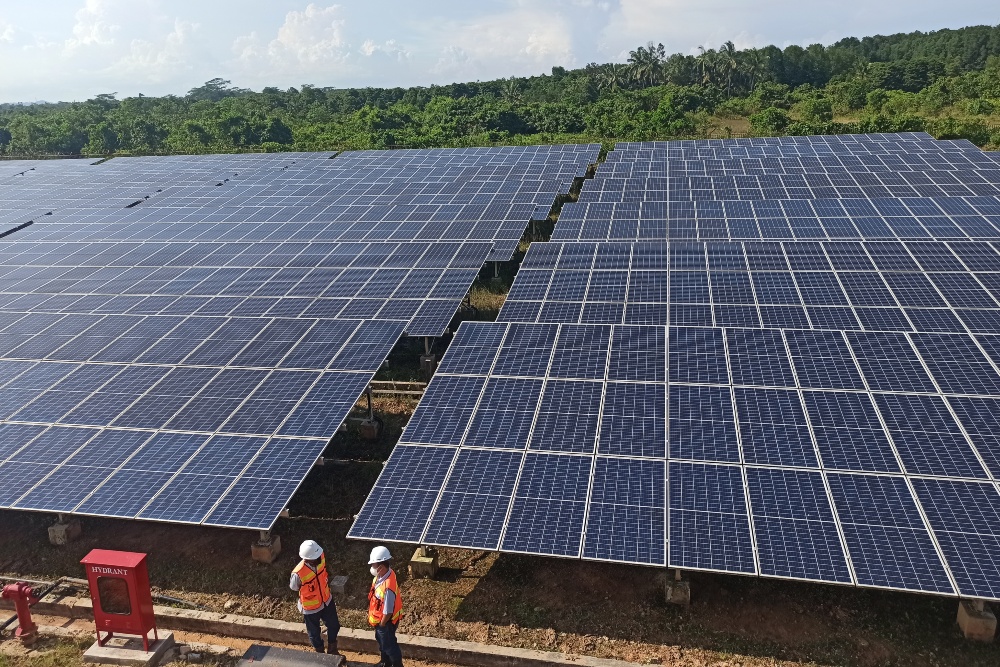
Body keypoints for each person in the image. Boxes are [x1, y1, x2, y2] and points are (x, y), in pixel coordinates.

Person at [290, 539, 344, 658]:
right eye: (315, 557)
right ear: (307, 558)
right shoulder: (298, 573)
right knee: (314, 633)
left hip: (326, 600)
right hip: (310, 608)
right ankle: (320, 655)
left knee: (334, 625)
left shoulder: (321, 556)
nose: (318, 558)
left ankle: (332, 650)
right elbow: (294, 587)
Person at [367, 546, 403, 667]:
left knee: (390, 646)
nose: (372, 568)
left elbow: (388, 611)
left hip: (386, 622)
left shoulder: (388, 587)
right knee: (383, 644)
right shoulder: (384, 576)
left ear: (381, 567)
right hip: (380, 621)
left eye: (373, 565)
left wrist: (382, 625)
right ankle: (385, 663)